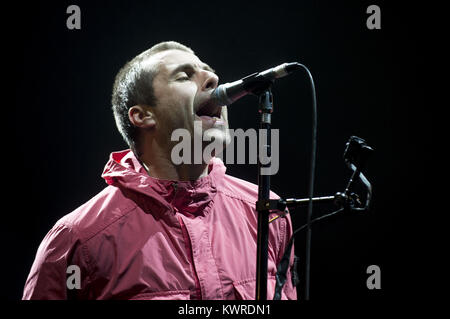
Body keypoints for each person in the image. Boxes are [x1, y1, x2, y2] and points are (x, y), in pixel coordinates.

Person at [22, 41, 297, 300]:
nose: (214, 81)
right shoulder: (78, 239)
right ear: (142, 115)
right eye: (184, 76)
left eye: (211, 73)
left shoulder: (268, 213)